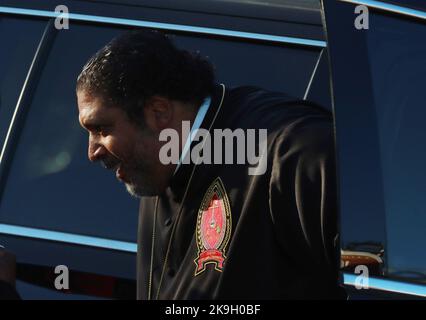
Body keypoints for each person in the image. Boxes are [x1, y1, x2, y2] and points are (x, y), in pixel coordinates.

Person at [76, 29, 346, 300]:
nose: (91, 152)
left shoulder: (293, 153)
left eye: (101, 128)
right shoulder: (157, 162)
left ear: (159, 112)